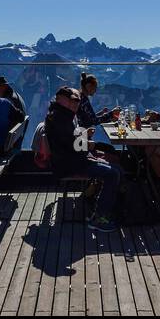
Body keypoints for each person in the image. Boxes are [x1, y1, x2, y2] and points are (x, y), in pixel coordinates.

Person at [45, 86, 121, 233]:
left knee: (115, 165)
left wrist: (85, 136)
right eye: (72, 100)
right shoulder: (61, 118)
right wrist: (89, 144)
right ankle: (99, 217)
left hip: (70, 159)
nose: (76, 104)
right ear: (61, 99)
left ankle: (97, 207)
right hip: (70, 164)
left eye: (78, 101)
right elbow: (73, 146)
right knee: (113, 173)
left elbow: (69, 141)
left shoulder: (62, 115)